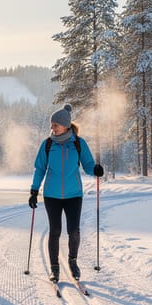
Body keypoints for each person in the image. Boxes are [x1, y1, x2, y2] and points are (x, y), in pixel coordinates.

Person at [29, 103, 103, 282]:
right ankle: (54, 268)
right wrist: (34, 190)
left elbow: (87, 165)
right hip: (51, 195)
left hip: (74, 195)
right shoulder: (47, 145)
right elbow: (40, 168)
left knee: (74, 230)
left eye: (55, 124)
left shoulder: (78, 143)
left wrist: (96, 170)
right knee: (54, 231)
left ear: (65, 125)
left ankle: (72, 262)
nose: (52, 128)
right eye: (51, 125)